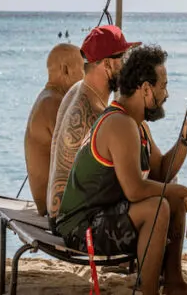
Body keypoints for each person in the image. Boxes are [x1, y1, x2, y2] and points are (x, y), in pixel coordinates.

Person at [54, 45, 187, 295]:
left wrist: (184, 142)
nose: (166, 94)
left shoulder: (136, 125)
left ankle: (173, 283)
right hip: (80, 228)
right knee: (158, 208)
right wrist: (180, 190)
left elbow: (160, 172)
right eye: (163, 86)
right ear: (146, 89)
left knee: (172, 200)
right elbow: (135, 190)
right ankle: (147, 290)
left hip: (104, 215)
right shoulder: (119, 123)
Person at [47, 25, 139, 219]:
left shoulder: (77, 90)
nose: (127, 66)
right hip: (71, 220)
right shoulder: (96, 114)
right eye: (123, 58)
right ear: (107, 64)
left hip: (56, 211)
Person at [24, 44, 85, 214]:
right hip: (55, 209)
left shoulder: (49, 98)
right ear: (66, 70)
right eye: (83, 68)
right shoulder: (53, 103)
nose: (85, 76)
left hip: (53, 203)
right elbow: (81, 157)